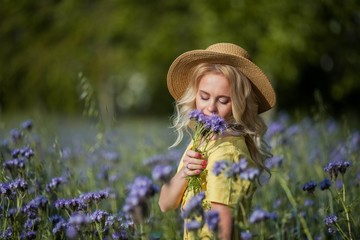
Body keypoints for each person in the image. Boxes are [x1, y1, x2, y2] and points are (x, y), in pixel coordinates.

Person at [158, 43, 276, 240]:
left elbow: (223, 230)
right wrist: (185, 173)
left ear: (239, 104)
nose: (210, 108)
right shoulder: (203, 140)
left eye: (223, 101)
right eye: (204, 97)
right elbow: (165, 204)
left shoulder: (227, 153)